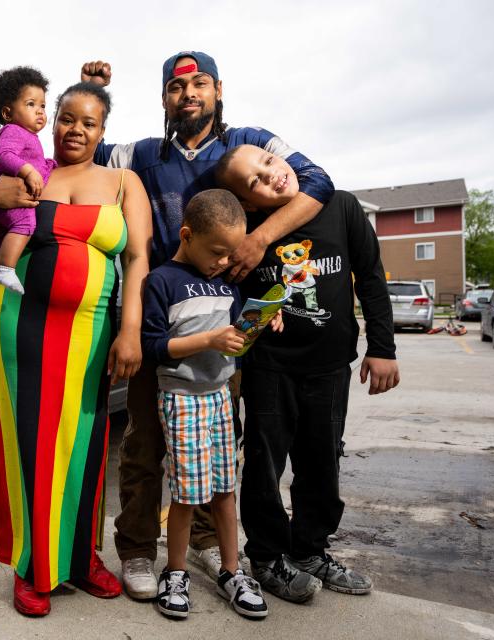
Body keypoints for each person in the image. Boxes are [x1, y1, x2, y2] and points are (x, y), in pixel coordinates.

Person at [80, 51, 335, 599]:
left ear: (218, 90)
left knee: (219, 447)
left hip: (228, 322)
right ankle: (138, 550)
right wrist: (91, 87)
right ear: (165, 98)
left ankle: (200, 538)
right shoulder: (143, 154)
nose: (188, 94)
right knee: (147, 445)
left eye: (198, 84)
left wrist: (260, 238)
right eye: (176, 87)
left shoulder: (248, 143)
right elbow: (87, 147)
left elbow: (318, 180)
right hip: (159, 315)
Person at [0, 82, 153, 616]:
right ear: (54, 120)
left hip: (90, 332)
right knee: (27, 446)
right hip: (20, 326)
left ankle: (82, 558)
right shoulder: (27, 170)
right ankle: (31, 567)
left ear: (103, 131)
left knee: (85, 447)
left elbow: (137, 260)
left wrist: (129, 330)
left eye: (88, 122)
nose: (75, 129)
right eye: (66, 117)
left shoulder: (122, 182)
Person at [214, 143, 399, 602]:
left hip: (330, 364)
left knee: (321, 460)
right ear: (249, 203)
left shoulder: (342, 207)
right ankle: (268, 555)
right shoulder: (249, 232)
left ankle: (310, 549)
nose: (269, 176)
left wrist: (383, 347)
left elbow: (372, 278)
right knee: (264, 464)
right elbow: (229, 291)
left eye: (269, 163)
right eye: (254, 181)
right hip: (270, 366)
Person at [141, 189, 274, 620]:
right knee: (186, 493)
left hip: (220, 396)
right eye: (217, 251)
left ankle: (232, 572)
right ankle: (175, 572)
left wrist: (259, 320)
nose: (223, 262)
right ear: (186, 235)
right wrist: (209, 339)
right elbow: (154, 346)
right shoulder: (162, 280)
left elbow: (235, 339)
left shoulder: (225, 284)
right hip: (182, 399)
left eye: (230, 254)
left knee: (224, 490)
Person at [0, 67, 57, 305]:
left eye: (43, 106)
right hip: (10, 195)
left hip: (1, 201)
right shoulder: (14, 131)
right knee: (26, 223)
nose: (39, 111)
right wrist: (28, 170)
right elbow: (3, 156)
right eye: (31, 104)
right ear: (8, 112)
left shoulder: (26, 135)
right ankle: (5, 270)